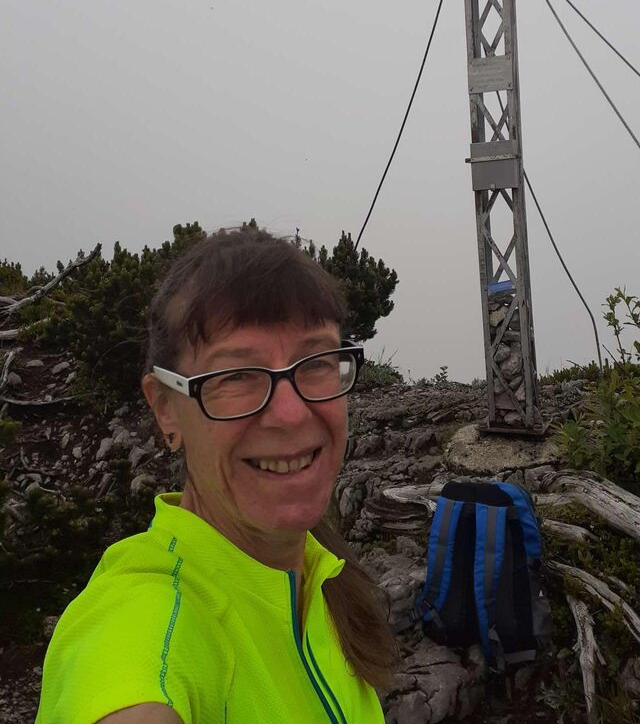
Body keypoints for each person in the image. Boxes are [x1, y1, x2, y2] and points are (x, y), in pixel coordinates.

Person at [36, 228, 398, 723]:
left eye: (316, 361)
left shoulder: (322, 576)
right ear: (166, 409)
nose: (291, 414)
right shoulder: (147, 614)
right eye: (235, 376)